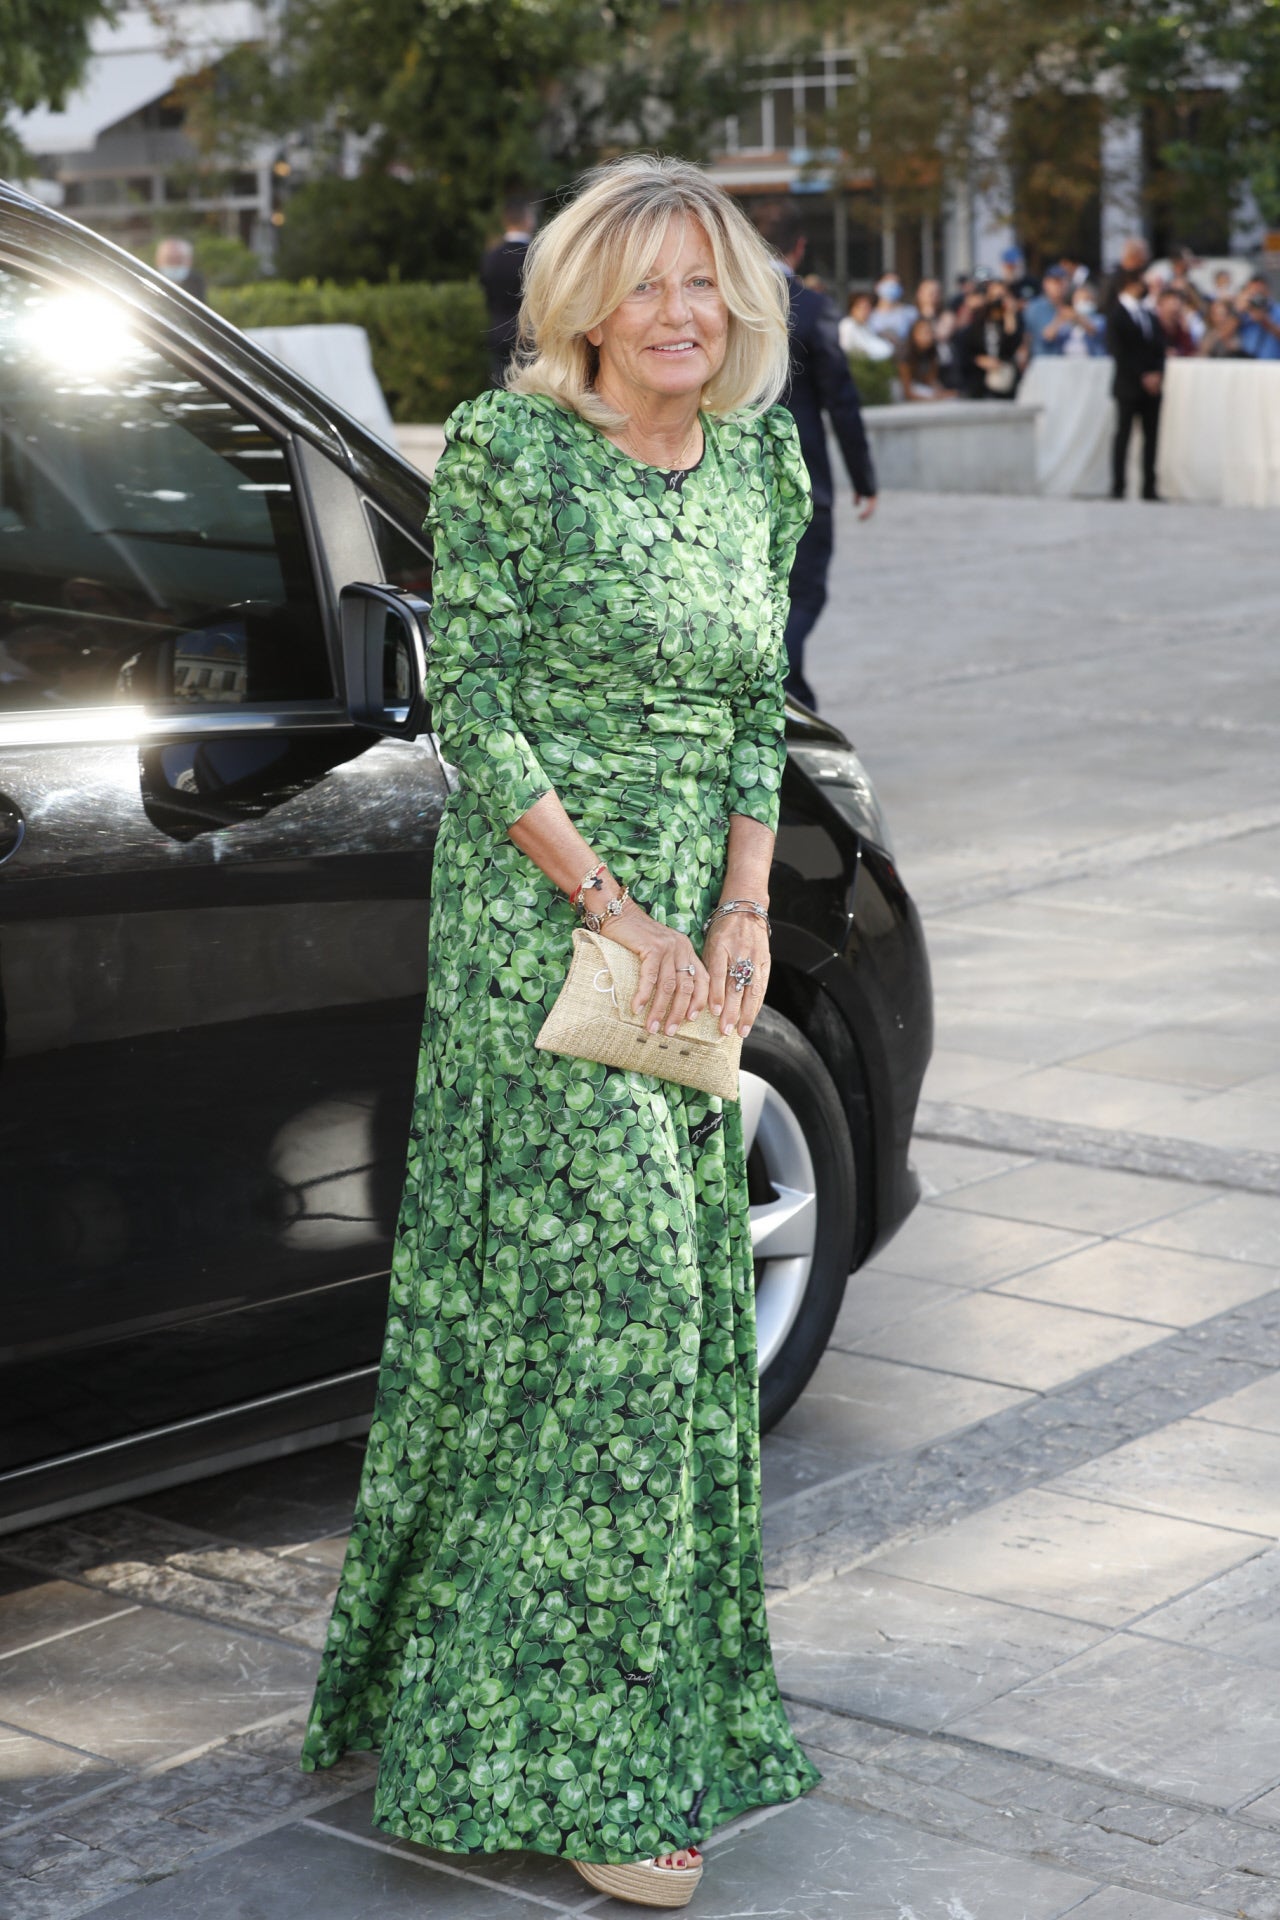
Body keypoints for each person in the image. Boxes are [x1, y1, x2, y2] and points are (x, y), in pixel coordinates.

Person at [299, 153, 822, 1908]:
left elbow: (760, 704)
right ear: (584, 299)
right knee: (612, 1326)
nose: (686, 315)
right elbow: (480, 705)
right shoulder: (514, 451)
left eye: (712, 284)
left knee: (654, 1333)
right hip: (550, 928)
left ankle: (517, 1712)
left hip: (698, 940)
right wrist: (622, 914)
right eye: (651, 284)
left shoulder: (762, 456)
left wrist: (740, 915)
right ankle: (593, 1775)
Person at [770, 206, 877, 710]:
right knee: (804, 594)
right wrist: (864, 478)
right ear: (800, 248)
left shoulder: (723, 304)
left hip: (729, 475)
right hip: (804, 476)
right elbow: (841, 398)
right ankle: (785, 696)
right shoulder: (810, 308)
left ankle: (789, 699)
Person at [1107, 264, 1166, 500]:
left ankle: (1149, 487)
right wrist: (1142, 376)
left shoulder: (1149, 314)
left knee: (1152, 438)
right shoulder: (1117, 315)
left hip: (1152, 388)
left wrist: (1157, 374)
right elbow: (1120, 353)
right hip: (1128, 386)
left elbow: (1159, 348)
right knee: (1123, 435)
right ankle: (1118, 486)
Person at [479, 194, 537, 386]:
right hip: (529, 334)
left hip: (498, 330)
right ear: (527, 219)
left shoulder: (491, 256)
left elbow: (487, 294)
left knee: (500, 394)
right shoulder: (534, 256)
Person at [955, 279, 1025, 398]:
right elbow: (963, 349)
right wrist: (979, 359)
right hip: (978, 384)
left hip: (1005, 384)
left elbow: (1013, 344)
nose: (997, 301)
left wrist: (1010, 314)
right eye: (994, 296)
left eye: (1002, 296)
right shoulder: (978, 319)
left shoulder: (1014, 320)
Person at [1042, 285, 1107, 359]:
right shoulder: (1067, 323)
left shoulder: (1100, 319)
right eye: (1078, 300)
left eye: (1086, 299)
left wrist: (1077, 317)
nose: (1081, 303)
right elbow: (1048, 336)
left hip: (1092, 363)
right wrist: (1059, 320)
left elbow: (1093, 330)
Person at [897, 316, 952, 398]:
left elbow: (930, 380)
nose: (928, 336)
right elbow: (907, 393)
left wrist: (942, 393)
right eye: (924, 332)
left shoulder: (932, 352)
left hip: (922, 390)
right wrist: (933, 398)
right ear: (914, 334)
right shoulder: (905, 354)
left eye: (930, 332)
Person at [1024, 266, 1071, 355]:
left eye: (1063, 281)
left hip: (1069, 363)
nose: (1059, 286)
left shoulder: (1071, 304)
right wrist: (1061, 318)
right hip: (1044, 363)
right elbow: (1046, 336)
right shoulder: (1036, 307)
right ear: (1045, 284)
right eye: (1055, 282)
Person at [838, 289, 894, 360]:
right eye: (863, 308)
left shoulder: (868, 326)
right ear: (853, 308)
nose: (866, 311)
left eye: (868, 308)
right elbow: (846, 350)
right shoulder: (847, 325)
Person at [1236, 274, 1280, 360]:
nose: (1257, 298)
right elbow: (1221, 336)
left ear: (1268, 292)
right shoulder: (1241, 311)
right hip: (1244, 364)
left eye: (1261, 293)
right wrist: (1238, 312)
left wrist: (1264, 320)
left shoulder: (1277, 310)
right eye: (1254, 293)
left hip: (1272, 365)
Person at [868, 270, 915, 343]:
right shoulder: (868, 314)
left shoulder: (910, 313)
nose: (892, 286)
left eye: (896, 283)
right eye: (887, 282)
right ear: (877, 286)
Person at [154, 236, 206, 303]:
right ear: (158, 260)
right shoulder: (149, 281)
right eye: (169, 259)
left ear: (189, 261)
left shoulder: (196, 281)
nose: (174, 264)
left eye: (179, 260)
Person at [1157, 289, 1199, 357]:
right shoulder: (1153, 327)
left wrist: (1179, 352)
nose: (1175, 308)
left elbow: (1191, 351)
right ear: (1161, 305)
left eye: (1177, 304)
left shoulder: (1182, 329)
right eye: (1171, 304)